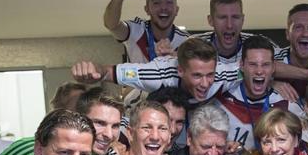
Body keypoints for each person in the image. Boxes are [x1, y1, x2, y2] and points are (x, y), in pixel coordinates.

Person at [211, 35, 305, 154]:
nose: (259, 71)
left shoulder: (287, 104)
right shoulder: (220, 101)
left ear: (273, 67)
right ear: (241, 66)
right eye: (253, 64)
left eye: (265, 64)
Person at [71, 38, 240, 104]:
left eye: (209, 75)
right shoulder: (157, 74)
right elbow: (109, 72)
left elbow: (249, 70)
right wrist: (94, 71)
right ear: (180, 70)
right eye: (197, 75)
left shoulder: (223, 74)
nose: (205, 83)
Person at [104, 0, 188, 63]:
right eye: (156, 2)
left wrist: (175, 59)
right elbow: (111, 25)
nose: (163, 7)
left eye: (169, 2)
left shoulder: (186, 41)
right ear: (147, 9)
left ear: (177, 10)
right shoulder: (136, 29)